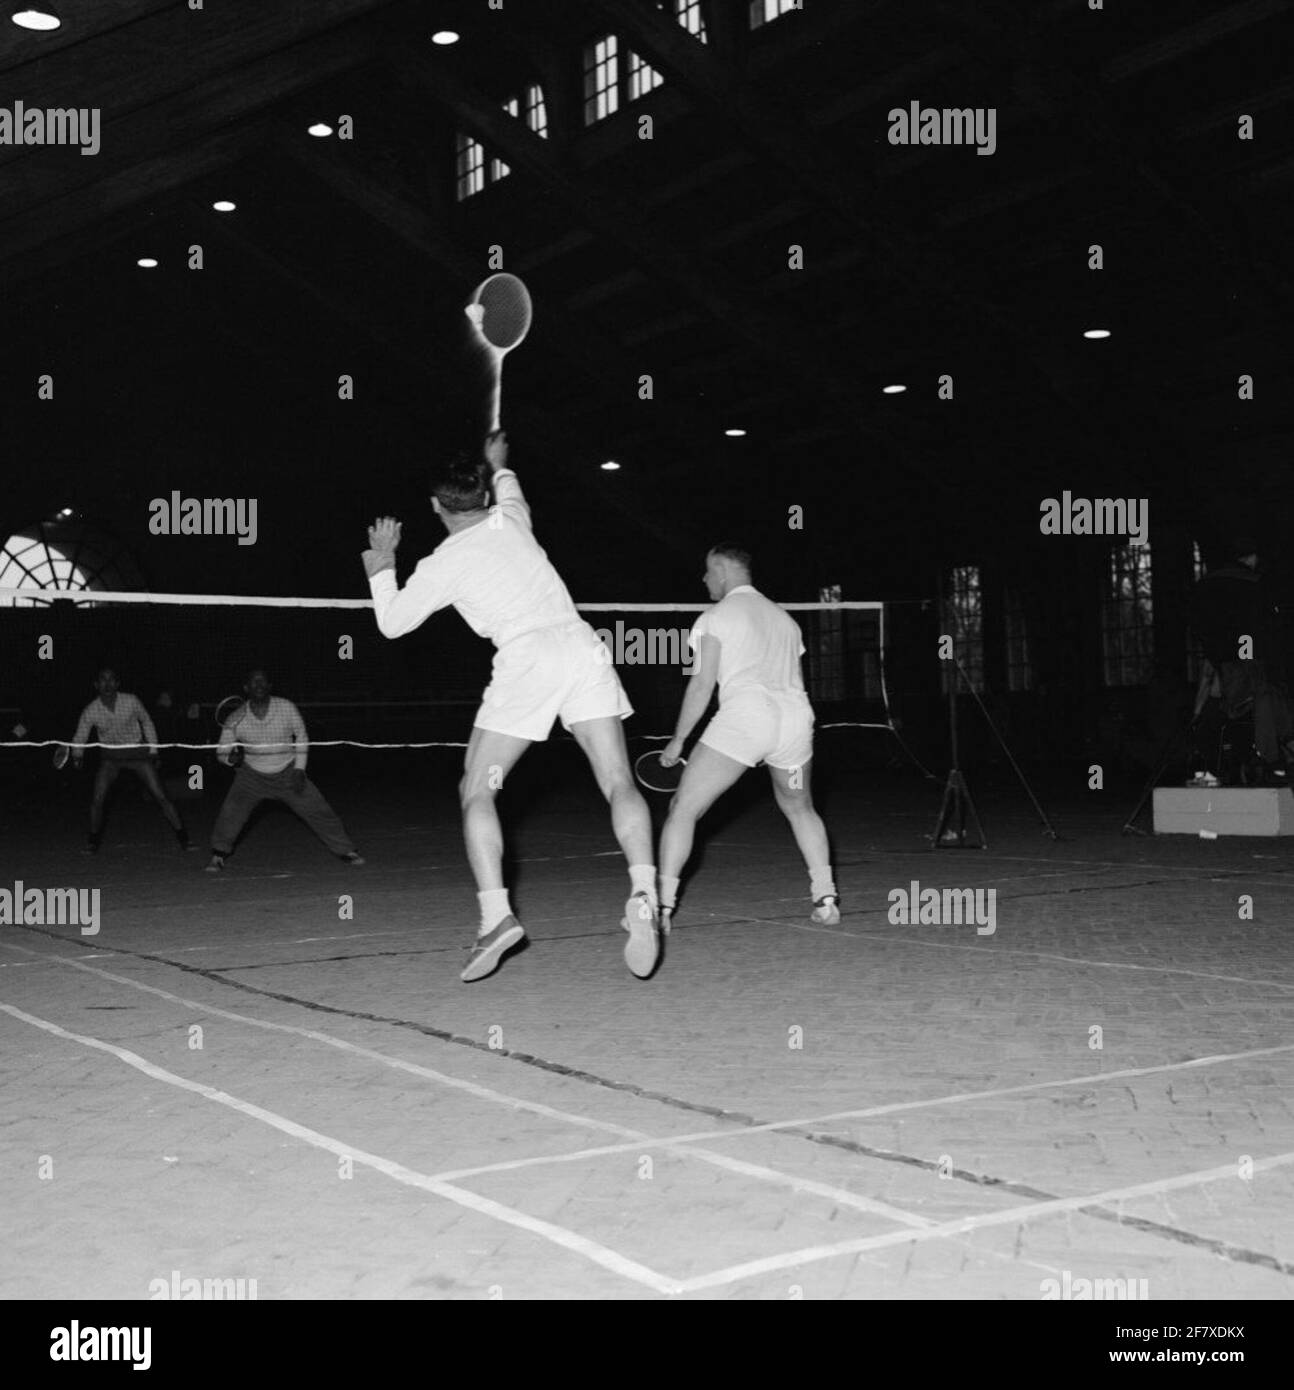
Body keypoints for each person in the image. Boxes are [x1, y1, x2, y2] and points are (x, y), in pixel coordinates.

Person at [362, 430, 660, 983]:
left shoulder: (443, 562)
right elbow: (512, 491)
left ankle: (496, 916)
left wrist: (382, 562)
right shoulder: (513, 520)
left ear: (435, 506)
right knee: (619, 781)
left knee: (478, 790)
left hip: (528, 660)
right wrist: (500, 465)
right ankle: (644, 893)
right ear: (483, 497)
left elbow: (392, 624)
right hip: (582, 649)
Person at [657, 545, 839, 931]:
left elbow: (702, 684)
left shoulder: (716, 616)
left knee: (684, 809)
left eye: (708, 572)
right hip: (794, 721)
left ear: (722, 570)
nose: (704, 580)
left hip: (746, 719)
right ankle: (825, 899)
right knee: (800, 808)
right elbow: (797, 682)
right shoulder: (786, 620)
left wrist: (678, 741)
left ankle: (660, 909)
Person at [205, 669, 365, 871]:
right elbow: (221, 752)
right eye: (254, 682)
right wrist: (231, 759)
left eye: (263, 681)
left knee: (320, 811)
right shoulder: (236, 718)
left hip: (289, 772)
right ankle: (218, 855)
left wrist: (299, 769)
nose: (259, 685)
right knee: (230, 814)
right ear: (246, 688)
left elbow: (302, 736)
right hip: (251, 776)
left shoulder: (286, 707)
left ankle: (346, 851)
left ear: (270, 686)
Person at [1191, 537, 1294, 781]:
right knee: (1263, 698)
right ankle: (1269, 758)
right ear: (1252, 558)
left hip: (1231, 664)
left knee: (1258, 700)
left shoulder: (1214, 587)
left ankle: (1267, 758)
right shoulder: (1252, 585)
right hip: (1244, 668)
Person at [73, 667, 192, 854]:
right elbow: (80, 735)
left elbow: (147, 722)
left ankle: (184, 839)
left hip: (137, 755)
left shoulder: (131, 701)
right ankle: (92, 842)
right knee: (97, 800)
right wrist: (77, 754)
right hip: (110, 759)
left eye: (111, 679)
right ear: (96, 685)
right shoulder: (91, 710)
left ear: (117, 684)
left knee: (161, 795)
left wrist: (153, 750)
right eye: (103, 680)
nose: (107, 684)